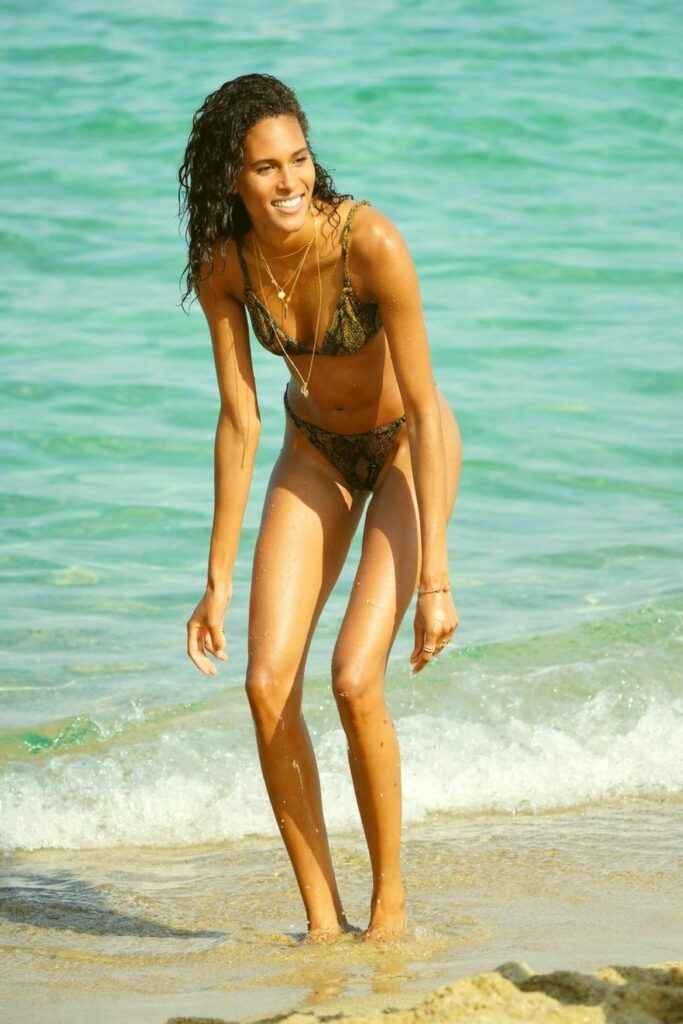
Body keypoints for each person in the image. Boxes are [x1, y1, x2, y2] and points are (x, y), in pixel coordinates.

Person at [179, 73, 462, 943]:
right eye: (265, 167)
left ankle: (388, 912)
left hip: (405, 448)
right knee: (266, 686)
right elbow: (239, 419)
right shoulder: (226, 265)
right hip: (314, 452)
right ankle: (322, 924)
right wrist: (216, 580)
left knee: (351, 677)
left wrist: (436, 581)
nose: (289, 181)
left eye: (298, 159)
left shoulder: (369, 242)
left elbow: (425, 409)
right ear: (231, 177)